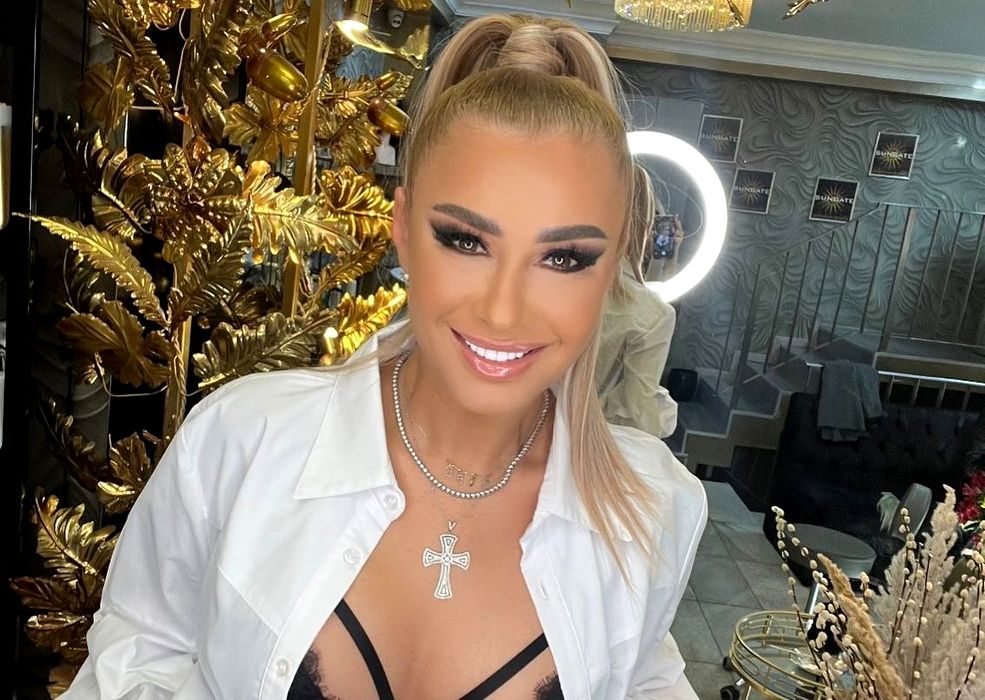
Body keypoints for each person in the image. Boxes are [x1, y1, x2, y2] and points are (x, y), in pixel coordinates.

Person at [62, 14, 706, 699]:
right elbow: (133, 666)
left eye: (564, 258)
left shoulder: (649, 512)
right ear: (401, 228)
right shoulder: (243, 444)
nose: (503, 310)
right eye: (465, 241)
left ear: (614, 266)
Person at [597, 165, 679, 439]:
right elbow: (638, 416)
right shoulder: (653, 315)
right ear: (645, 225)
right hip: (596, 441)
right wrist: (665, 412)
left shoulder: (548, 282)